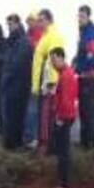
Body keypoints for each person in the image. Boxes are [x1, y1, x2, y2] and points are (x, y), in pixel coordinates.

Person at [28, 9, 65, 150]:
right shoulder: (45, 36)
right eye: (38, 20)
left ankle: (48, 145)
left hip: (49, 84)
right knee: (43, 116)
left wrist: (51, 83)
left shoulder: (53, 36)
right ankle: (45, 144)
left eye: (42, 20)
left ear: (49, 20)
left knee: (48, 116)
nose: (39, 23)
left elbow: (54, 60)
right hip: (41, 82)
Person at [0, 14, 34, 149]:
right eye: (7, 25)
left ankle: (14, 144)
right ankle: (10, 143)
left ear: (17, 24)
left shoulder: (23, 42)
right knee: (9, 115)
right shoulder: (12, 41)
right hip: (12, 85)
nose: (8, 28)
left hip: (18, 85)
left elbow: (17, 64)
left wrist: (6, 77)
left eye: (10, 24)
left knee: (15, 115)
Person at [49, 48, 78, 188]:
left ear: (61, 58)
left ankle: (64, 186)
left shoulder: (66, 75)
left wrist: (60, 118)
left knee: (63, 152)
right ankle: (63, 184)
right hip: (66, 115)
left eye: (54, 60)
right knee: (62, 150)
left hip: (65, 117)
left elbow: (67, 100)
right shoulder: (66, 74)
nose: (52, 63)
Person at [74, 6, 94, 149]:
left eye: (82, 16)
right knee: (83, 111)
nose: (79, 19)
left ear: (88, 17)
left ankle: (88, 144)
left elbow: (91, 56)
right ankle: (84, 142)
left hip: (88, 77)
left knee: (88, 112)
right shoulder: (84, 33)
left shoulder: (90, 34)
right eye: (78, 16)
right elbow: (81, 53)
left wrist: (79, 67)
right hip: (82, 76)